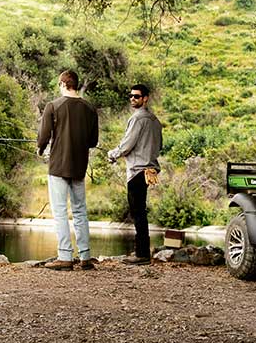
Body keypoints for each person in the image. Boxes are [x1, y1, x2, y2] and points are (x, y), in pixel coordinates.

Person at [36, 69, 99, 270]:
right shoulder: (90, 108)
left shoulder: (53, 106)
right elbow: (93, 141)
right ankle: (85, 256)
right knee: (80, 210)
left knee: (60, 211)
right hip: (79, 167)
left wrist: (40, 149)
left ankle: (65, 256)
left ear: (63, 84)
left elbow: (43, 136)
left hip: (58, 166)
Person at [107, 83, 163, 265]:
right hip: (150, 171)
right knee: (140, 211)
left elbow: (127, 145)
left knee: (137, 213)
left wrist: (112, 154)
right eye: (131, 96)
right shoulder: (155, 121)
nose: (132, 99)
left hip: (137, 171)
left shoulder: (137, 119)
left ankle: (142, 255)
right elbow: (159, 146)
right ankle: (142, 251)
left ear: (145, 98)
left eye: (136, 96)